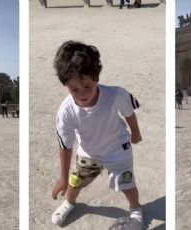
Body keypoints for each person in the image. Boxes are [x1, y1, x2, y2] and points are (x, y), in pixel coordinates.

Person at [51, 41, 143, 226]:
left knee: (127, 183)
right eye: (74, 89)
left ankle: (135, 209)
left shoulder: (115, 94)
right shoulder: (66, 111)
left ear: (96, 78)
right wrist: (63, 178)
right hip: (89, 152)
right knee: (75, 181)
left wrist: (135, 133)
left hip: (117, 150)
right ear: (66, 85)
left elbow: (129, 113)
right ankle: (69, 202)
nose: (82, 93)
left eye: (87, 86)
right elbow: (65, 145)